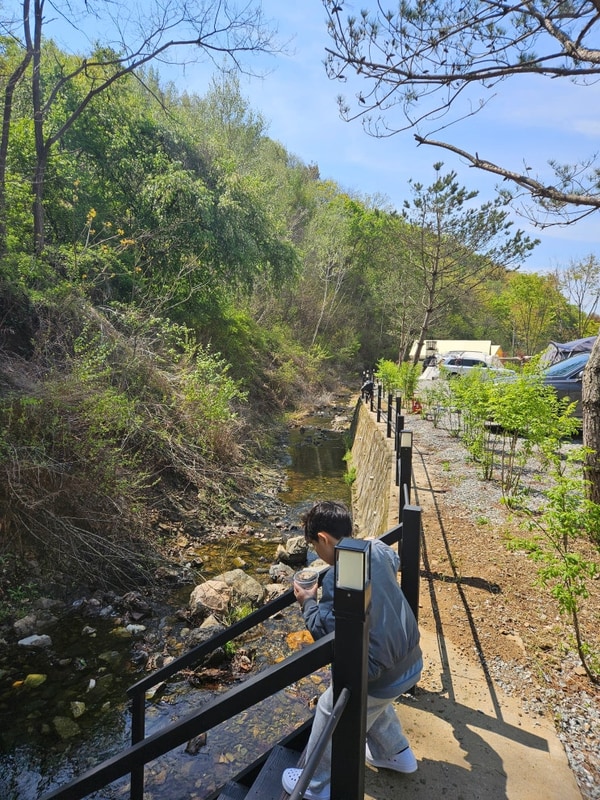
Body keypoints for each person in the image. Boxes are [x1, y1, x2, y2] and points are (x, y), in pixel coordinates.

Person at [282, 500, 422, 800]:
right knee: (372, 703)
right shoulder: (378, 550)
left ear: (323, 538)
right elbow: (391, 563)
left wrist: (307, 600)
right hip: (411, 662)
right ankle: (397, 753)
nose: (317, 554)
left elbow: (327, 631)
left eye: (314, 546)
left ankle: (314, 783)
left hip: (382, 676)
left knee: (332, 705)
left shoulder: (339, 575)